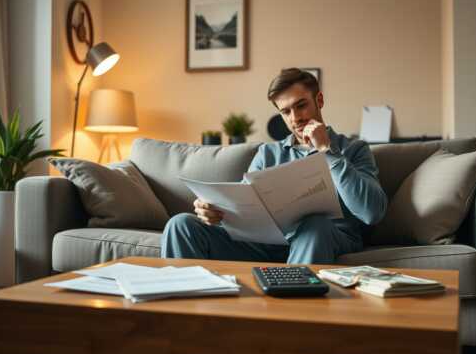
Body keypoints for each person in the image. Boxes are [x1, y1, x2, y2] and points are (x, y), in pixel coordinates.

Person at [161, 68, 388, 264]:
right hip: (267, 245)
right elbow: (243, 208)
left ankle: (289, 309)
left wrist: (327, 151)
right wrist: (215, 212)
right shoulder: (268, 153)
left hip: (324, 239)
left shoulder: (354, 149)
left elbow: (371, 213)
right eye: (286, 112)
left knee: (314, 225)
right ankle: (184, 312)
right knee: (180, 224)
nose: (295, 118)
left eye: (301, 106)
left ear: (319, 101)